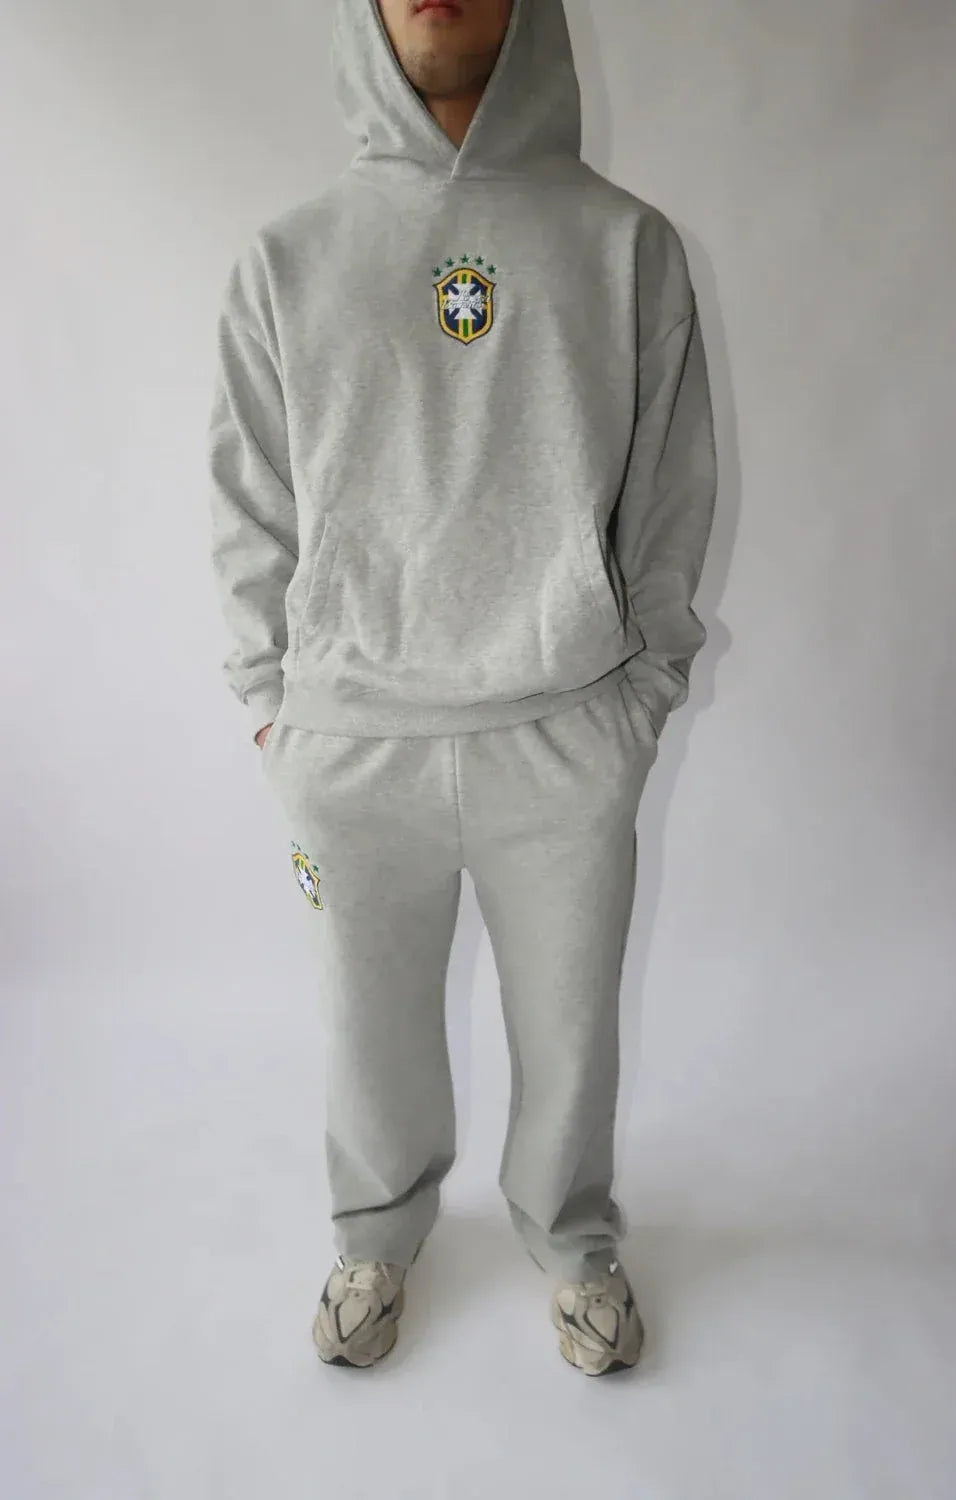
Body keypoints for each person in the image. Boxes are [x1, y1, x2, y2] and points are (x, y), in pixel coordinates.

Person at [206, 0, 717, 1377]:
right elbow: (248, 501)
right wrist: (272, 705)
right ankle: (375, 1232)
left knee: (571, 1025)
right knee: (365, 1028)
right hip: (351, 743)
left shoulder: (625, 245)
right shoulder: (287, 260)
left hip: (563, 729)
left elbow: (670, 493)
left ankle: (574, 1238)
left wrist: (645, 687)